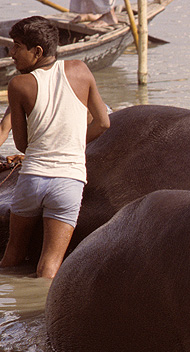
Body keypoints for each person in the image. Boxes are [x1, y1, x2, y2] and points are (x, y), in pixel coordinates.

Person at [1, 16, 110, 278]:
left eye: (17, 46)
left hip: (32, 179)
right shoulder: (81, 70)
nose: (12, 53)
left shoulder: (18, 85)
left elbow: (22, 143)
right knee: (50, 267)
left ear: (36, 52)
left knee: (12, 255)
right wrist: (72, 142)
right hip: (68, 181)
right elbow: (103, 122)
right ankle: (39, 317)